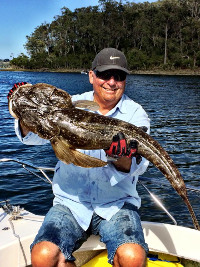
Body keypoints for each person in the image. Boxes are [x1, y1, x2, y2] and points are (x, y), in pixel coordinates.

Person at [12, 48, 150, 267]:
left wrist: (121, 158)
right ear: (91, 76)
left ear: (125, 80)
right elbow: (32, 138)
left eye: (119, 76)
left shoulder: (135, 115)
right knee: (44, 254)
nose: (112, 82)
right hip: (70, 203)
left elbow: (139, 167)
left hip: (116, 204)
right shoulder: (68, 105)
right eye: (105, 74)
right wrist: (23, 112)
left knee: (132, 256)